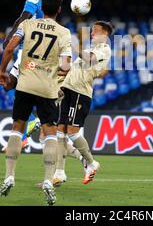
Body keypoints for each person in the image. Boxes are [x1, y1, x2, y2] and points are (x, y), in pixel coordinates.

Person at [0, 0, 72, 206]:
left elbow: (10, 47)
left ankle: (9, 175)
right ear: (59, 10)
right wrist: (53, 71)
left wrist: (3, 71)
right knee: (50, 132)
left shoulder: (28, 24)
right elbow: (66, 66)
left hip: (25, 83)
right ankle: (48, 179)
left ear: (41, 7)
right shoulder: (64, 32)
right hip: (46, 88)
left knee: (17, 128)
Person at [55, 21, 112, 185]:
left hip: (81, 93)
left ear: (105, 34)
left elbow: (90, 59)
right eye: (92, 30)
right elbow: (70, 70)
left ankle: (92, 163)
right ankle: (59, 172)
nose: (92, 33)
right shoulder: (89, 49)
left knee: (72, 132)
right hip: (68, 91)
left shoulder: (104, 49)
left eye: (96, 30)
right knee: (61, 131)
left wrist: (73, 47)